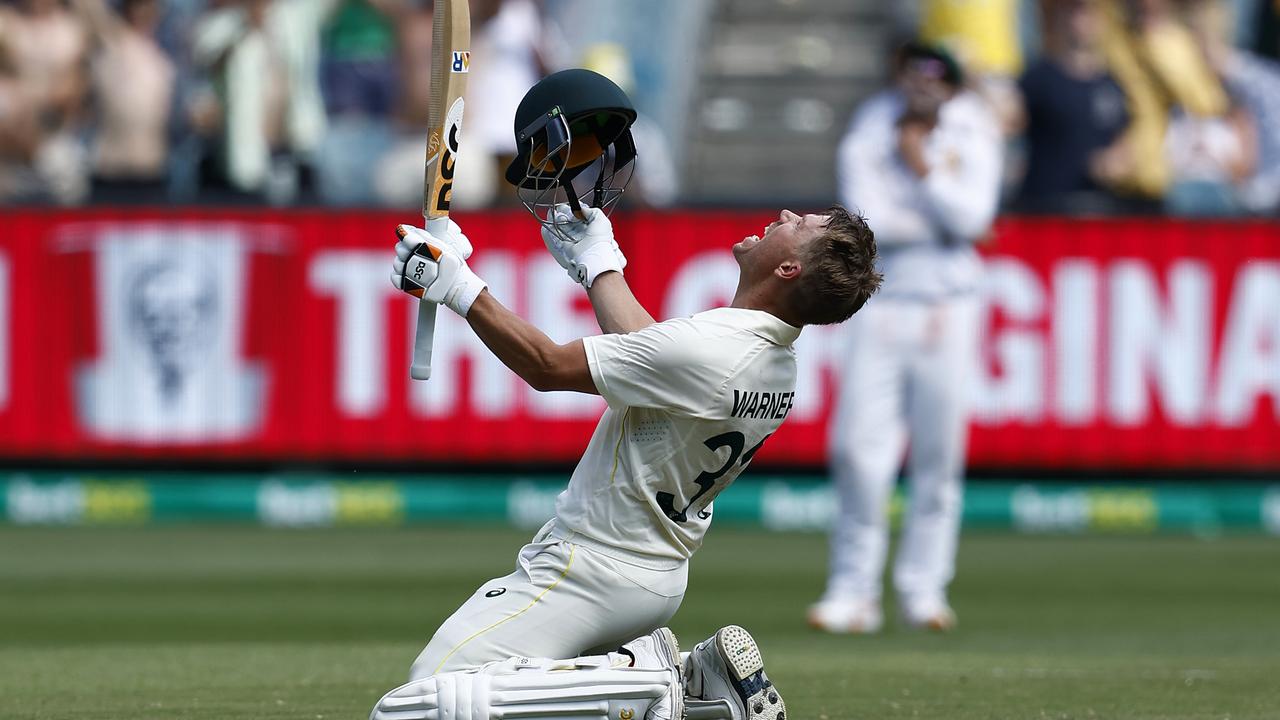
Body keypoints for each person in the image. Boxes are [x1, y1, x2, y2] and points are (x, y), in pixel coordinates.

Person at [370, 69, 882, 720]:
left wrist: (455, 285)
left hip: (592, 567)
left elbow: (549, 367)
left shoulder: (713, 350)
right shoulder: (771, 360)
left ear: (788, 268)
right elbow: (650, 353)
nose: (783, 216)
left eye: (798, 225)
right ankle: (701, 688)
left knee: (420, 703)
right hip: (654, 575)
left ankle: (647, 685)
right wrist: (598, 260)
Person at [811, 41, 1001, 635]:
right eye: (912, 76)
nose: (922, 88)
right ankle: (853, 591)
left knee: (938, 453)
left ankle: (924, 590)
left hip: (949, 302)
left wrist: (921, 167)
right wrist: (937, 214)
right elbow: (864, 220)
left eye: (934, 78)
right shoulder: (872, 123)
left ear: (949, 84)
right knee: (856, 449)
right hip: (882, 296)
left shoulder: (975, 127)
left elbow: (971, 218)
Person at [1017, 0, 1131, 213]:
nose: (1080, 21)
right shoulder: (1038, 78)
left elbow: (1123, 141)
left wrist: (1114, 163)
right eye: (1073, 12)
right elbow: (1011, 122)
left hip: (1096, 209)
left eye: (1088, 14)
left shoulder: (1112, 84)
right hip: (1043, 208)